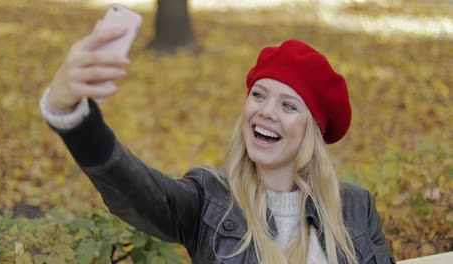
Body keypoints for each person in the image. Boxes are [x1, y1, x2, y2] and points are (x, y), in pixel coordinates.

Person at [40, 23, 396, 264]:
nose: (266, 112)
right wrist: (72, 116)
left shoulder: (355, 207)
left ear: (312, 132)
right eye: (259, 95)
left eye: (288, 105)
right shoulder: (210, 200)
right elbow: (135, 189)